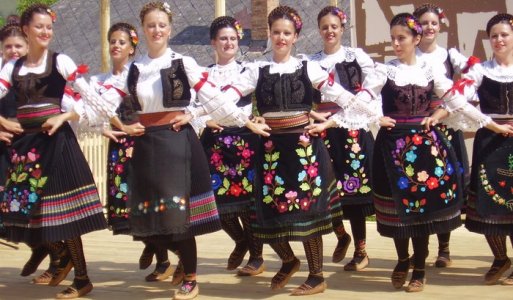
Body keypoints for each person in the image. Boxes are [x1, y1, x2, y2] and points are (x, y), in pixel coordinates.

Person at [310, 12, 513, 292]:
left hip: (423, 149)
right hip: (391, 147)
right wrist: (367, 118)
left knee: (421, 210)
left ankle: (419, 267)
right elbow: (362, 99)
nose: (396, 43)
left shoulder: (430, 71)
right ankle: (403, 260)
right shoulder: (385, 70)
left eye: (401, 38)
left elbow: (457, 101)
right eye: (393, 38)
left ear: (416, 39)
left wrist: (491, 124)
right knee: (395, 207)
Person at [190, 5, 378, 296]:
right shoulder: (257, 70)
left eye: (286, 33)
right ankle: (289, 260)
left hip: (304, 151)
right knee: (268, 212)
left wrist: (338, 119)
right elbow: (221, 98)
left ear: (295, 37)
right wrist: (228, 118)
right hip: (271, 150)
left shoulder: (308, 68)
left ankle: (317, 276)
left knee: (308, 214)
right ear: (270, 34)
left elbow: (341, 96)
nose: (281, 37)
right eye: (276, 32)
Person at [106, 2, 268, 299]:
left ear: (169, 28)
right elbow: (99, 102)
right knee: (147, 221)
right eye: (151, 25)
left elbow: (212, 98)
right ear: (142, 30)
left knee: (178, 218)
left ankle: (191, 278)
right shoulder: (134, 69)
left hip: (177, 142)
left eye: (162, 25)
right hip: (145, 144)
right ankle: (180, 261)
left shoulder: (183, 63)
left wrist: (240, 120)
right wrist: (119, 126)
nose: (157, 30)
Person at [0, 4, 107, 298]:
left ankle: (82, 278)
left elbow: (95, 102)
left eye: (49, 26)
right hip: (28, 148)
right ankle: (62, 261)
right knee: (27, 210)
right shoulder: (13, 67)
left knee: (65, 213)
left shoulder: (61, 61)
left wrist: (64, 116)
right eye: (39, 27)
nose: (46, 32)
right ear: (26, 30)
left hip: (57, 144)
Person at [307, 5, 376, 271]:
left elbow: (367, 92)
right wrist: (315, 118)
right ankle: (340, 234)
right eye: (325, 27)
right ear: (319, 30)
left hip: (351, 129)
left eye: (334, 26)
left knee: (354, 191)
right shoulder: (311, 62)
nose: (329, 31)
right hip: (322, 130)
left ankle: (361, 250)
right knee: (323, 187)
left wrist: (340, 116)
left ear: (342, 29)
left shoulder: (355, 57)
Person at [197, 16, 264, 276]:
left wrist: (262, 116)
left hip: (245, 141)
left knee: (247, 203)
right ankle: (241, 241)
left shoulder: (249, 70)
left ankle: (256, 256)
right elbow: (192, 108)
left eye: (233, 39)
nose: (228, 43)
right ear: (213, 42)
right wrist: (205, 119)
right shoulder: (203, 75)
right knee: (218, 204)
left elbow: (268, 98)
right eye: (223, 38)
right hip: (214, 143)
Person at [413, 3, 479, 268]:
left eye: (433, 23)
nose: (429, 27)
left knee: (445, 187)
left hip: (445, 127)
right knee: (420, 185)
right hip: (418, 128)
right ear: (415, 27)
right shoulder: (411, 55)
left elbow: (476, 71)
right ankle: (421, 249)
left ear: (439, 27)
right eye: (424, 23)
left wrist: (459, 94)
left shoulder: (449, 55)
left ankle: (444, 249)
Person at [460, 13, 513, 286]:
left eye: (504, 34)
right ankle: (501, 258)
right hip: (490, 142)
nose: (499, 40)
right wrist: (488, 122)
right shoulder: (481, 70)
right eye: (494, 36)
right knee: (488, 201)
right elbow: (459, 98)